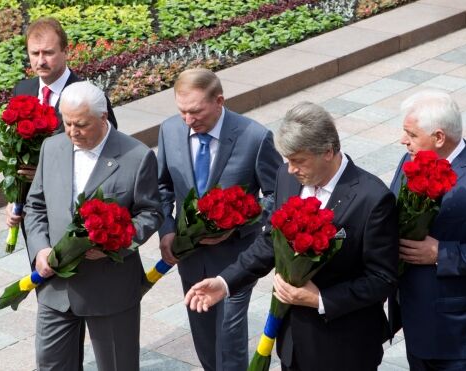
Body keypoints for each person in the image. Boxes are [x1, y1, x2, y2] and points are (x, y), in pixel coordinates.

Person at [184, 102, 400, 371]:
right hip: (293, 343)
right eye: (287, 160)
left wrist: (321, 300)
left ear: (328, 151)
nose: (290, 169)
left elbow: (383, 279)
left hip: (345, 347)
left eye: (298, 161)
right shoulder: (286, 180)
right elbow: (269, 242)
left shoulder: (373, 198)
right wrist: (225, 282)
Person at [24, 81, 162, 370]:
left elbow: (150, 213)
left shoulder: (136, 157)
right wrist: (40, 250)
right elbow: (35, 206)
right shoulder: (52, 147)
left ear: (103, 118)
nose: (72, 132)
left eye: (81, 125)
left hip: (109, 288)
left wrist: (116, 244)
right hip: (56, 287)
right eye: (67, 123)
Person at [156, 68, 283, 371]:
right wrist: (167, 230)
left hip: (236, 258)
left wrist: (240, 219)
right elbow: (161, 187)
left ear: (219, 101)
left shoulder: (254, 137)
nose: (188, 120)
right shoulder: (169, 130)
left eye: (196, 111)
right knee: (204, 338)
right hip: (190, 257)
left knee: (229, 339)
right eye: (182, 111)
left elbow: (279, 196)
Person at [390, 90, 466, 371]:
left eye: (411, 134)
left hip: (465, 339)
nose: (404, 141)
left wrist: (441, 253)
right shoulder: (409, 163)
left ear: (439, 137)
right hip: (419, 328)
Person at [6, 17, 118, 227]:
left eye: (48, 53)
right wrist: (14, 199)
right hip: (32, 211)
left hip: (72, 209)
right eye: (34, 53)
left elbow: (108, 153)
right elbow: (16, 152)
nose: (40, 61)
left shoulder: (89, 97)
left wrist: (46, 168)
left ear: (65, 52)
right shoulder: (22, 91)